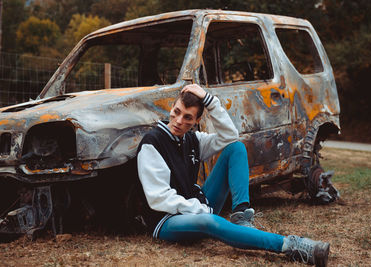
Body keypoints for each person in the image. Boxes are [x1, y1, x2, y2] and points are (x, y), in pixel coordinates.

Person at [135, 84, 330, 266]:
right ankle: (291, 245)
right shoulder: (153, 143)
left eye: (188, 117)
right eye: (177, 112)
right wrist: (200, 209)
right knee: (209, 221)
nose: (179, 121)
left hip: (196, 205)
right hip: (168, 219)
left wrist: (210, 100)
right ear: (172, 108)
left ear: (196, 121)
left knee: (236, 148)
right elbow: (158, 198)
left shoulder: (192, 139)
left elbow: (230, 136)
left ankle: (241, 216)